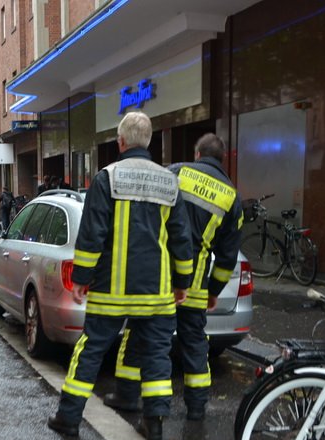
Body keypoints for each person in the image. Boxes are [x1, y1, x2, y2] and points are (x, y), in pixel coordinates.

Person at [46, 111, 193, 440]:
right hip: (156, 294)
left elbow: (92, 233)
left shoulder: (106, 178)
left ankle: (68, 418)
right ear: (149, 141)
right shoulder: (169, 181)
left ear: (121, 141)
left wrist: (82, 277)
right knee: (157, 356)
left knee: (91, 351)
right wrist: (182, 282)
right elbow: (181, 239)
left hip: (111, 292)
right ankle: (154, 424)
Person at [103, 133, 244, 421]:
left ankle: (128, 395)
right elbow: (228, 257)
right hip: (196, 283)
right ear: (222, 159)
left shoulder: (176, 172)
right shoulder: (232, 197)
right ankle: (196, 406)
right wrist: (214, 290)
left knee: (141, 333)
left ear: (197, 153)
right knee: (195, 342)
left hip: (161, 276)